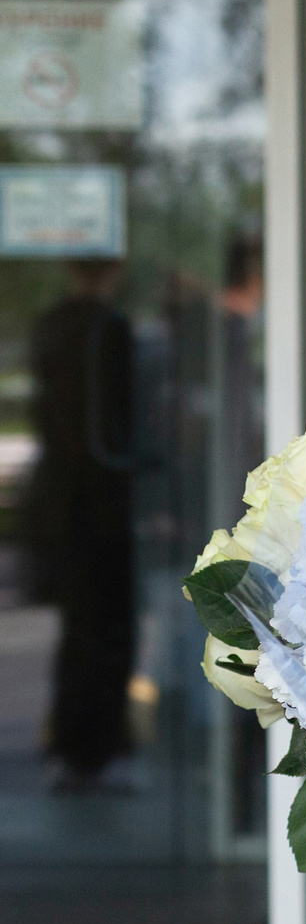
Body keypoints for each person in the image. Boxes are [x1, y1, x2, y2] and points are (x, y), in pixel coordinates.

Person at [24, 257, 136, 794]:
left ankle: (73, 742)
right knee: (107, 627)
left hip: (60, 500)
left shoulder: (53, 328)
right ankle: (92, 745)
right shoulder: (106, 331)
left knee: (78, 628)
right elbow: (119, 422)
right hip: (100, 502)